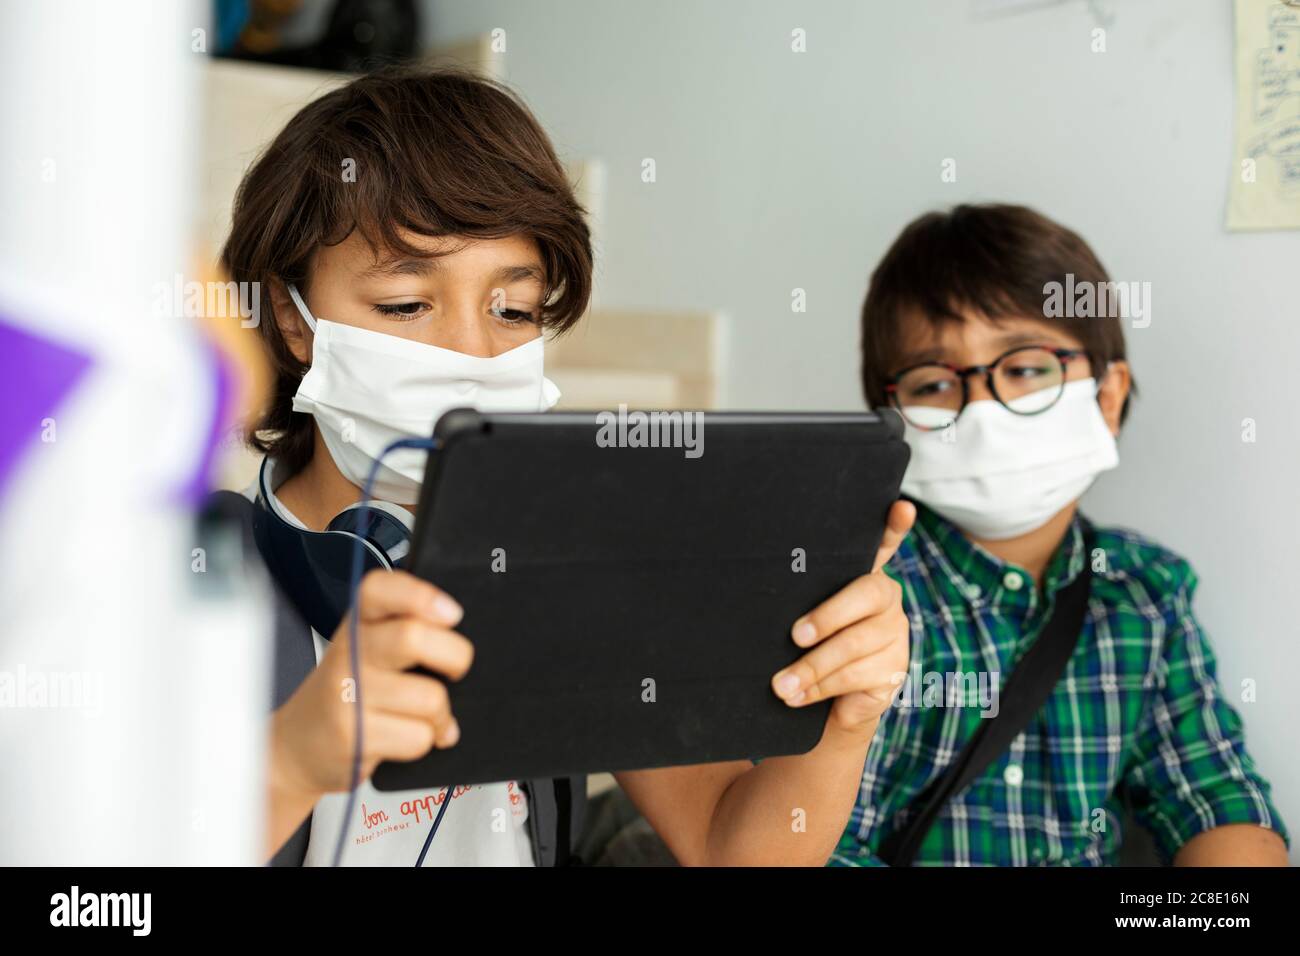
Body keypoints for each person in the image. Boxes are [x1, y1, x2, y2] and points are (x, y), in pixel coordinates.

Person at [221, 65, 915, 866]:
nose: (473, 354)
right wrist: (289, 765)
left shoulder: (572, 562)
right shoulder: (187, 585)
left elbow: (735, 849)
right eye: (407, 304)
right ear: (292, 318)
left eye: (511, 309)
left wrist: (842, 725)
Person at [835, 203, 1289, 865]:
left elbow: (1217, 805)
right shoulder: (858, 594)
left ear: (1107, 398)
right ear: (890, 420)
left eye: (1024, 368)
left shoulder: (1146, 592)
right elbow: (807, 843)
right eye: (933, 382)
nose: (983, 410)